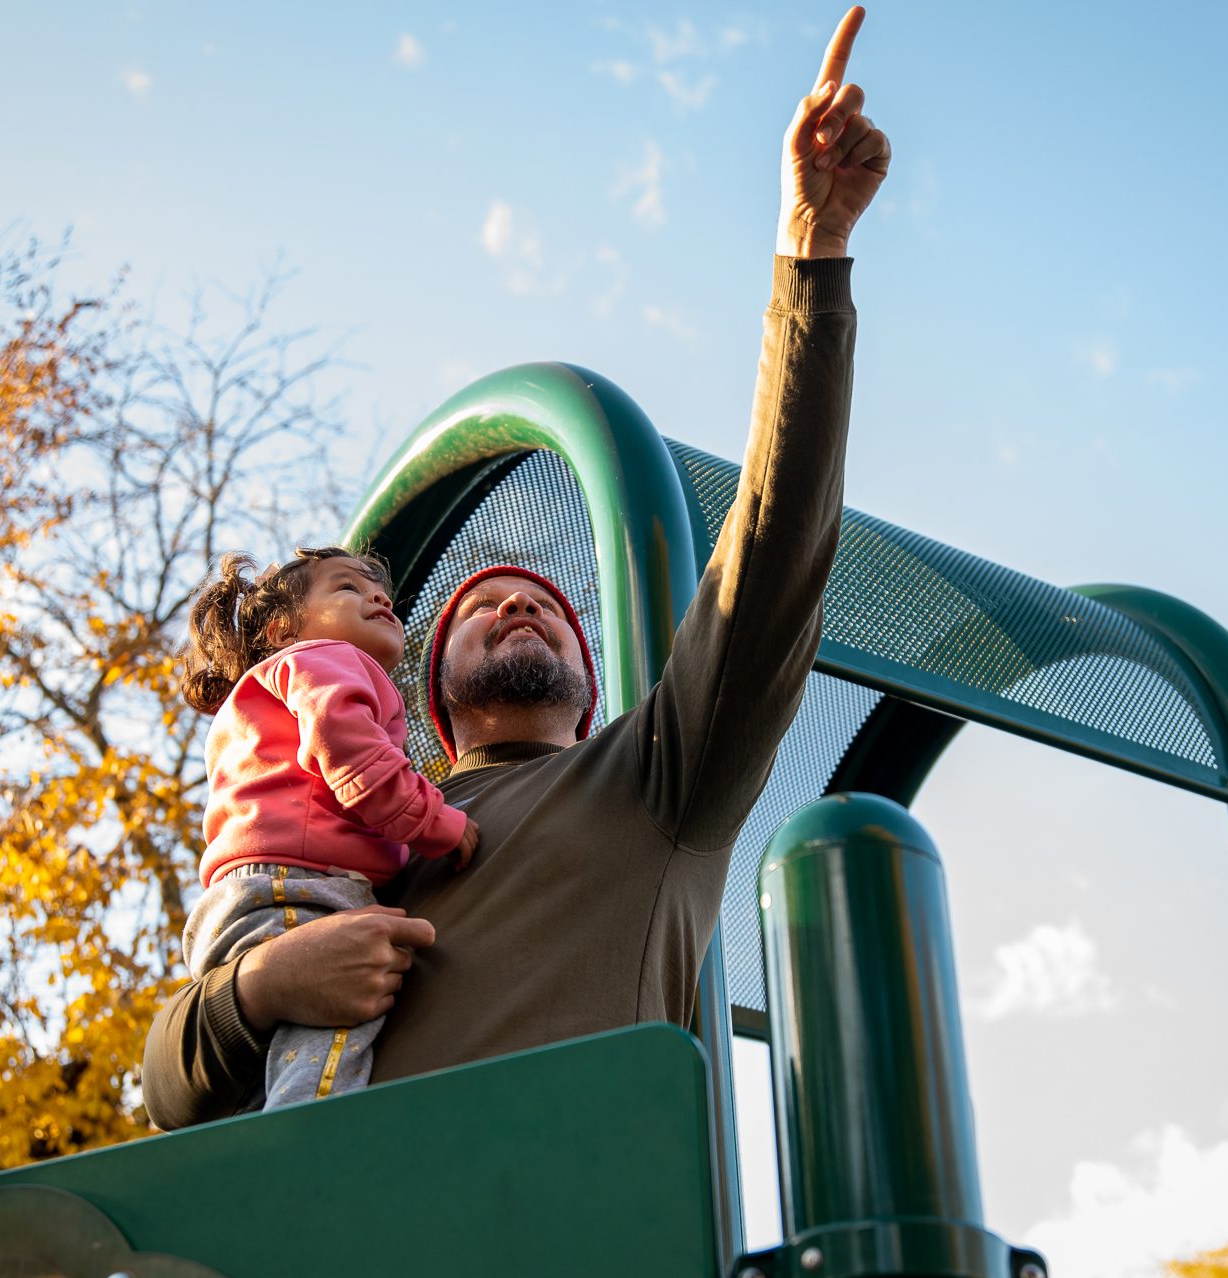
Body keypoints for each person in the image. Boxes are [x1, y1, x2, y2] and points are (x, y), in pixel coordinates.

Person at [143, 6, 889, 1129]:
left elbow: (774, 556)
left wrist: (811, 254)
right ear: (429, 705)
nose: (513, 604)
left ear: (592, 691)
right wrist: (263, 988)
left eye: (543, 604)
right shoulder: (368, 834)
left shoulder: (655, 781)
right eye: (479, 605)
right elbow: (167, 1085)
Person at [175, 547, 480, 1108]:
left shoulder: (271, 692)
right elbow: (351, 755)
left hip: (252, 892)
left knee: (281, 1059)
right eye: (347, 588)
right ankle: (313, 1144)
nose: (378, 597)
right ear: (282, 628)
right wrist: (435, 822)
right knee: (337, 1026)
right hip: (299, 887)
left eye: (380, 590)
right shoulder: (325, 659)